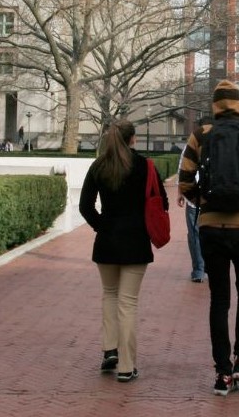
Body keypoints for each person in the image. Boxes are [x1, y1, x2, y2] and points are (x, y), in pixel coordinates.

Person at [178, 80, 239, 396]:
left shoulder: (200, 135)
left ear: (215, 106)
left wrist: (204, 202)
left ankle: (222, 373)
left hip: (210, 227)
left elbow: (184, 182)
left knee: (219, 299)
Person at [79, 119, 168, 383]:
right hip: (136, 241)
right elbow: (161, 201)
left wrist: (102, 226)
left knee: (109, 295)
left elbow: (85, 206)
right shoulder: (145, 166)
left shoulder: (99, 166)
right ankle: (127, 366)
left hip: (107, 240)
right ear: (133, 139)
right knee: (128, 302)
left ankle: (110, 351)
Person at [176, 145, 205, 283]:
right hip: (216, 198)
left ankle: (199, 270)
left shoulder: (192, 144)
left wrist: (180, 192)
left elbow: (183, 169)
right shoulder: (224, 140)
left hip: (194, 196)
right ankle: (210, 267)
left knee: (195, 233)